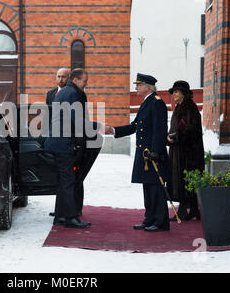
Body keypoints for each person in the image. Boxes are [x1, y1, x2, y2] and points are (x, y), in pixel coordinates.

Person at [105, 73, 171, 232]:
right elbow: (135, 126)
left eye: (139, 85)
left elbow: (159, 130)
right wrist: (114, 130)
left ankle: (160, 221)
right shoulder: (146, 103)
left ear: (147, 86)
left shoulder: (157, 103)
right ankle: (149, 219)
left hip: (153, 154)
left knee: (156, 188)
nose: (136, 88)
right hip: (144, 154)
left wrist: (155, 151)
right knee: (147, 187)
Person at [44, 68, 100, 228]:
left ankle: (60, 216)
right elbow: (78, 121)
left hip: (58, 142)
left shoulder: (65, 92)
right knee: (68, 181)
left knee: (64, 182)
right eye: (84, 80)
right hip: (64, 144)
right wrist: (100, 127)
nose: (86, 83)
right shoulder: (72, 94)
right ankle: (70, 217)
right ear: (75, 80)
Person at [166, 80, 204, 221]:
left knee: (185, 180)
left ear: (184, 93)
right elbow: (176, 128)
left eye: (176, 91)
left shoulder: (189, 108)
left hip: (189, 153)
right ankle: (193, 210)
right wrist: (169, 136)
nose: (174, 94)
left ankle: (184, 210)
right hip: (180, 151)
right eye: (174, 92)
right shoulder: (180, 107)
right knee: (182, 180)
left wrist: (174, 137)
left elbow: (190, 129)